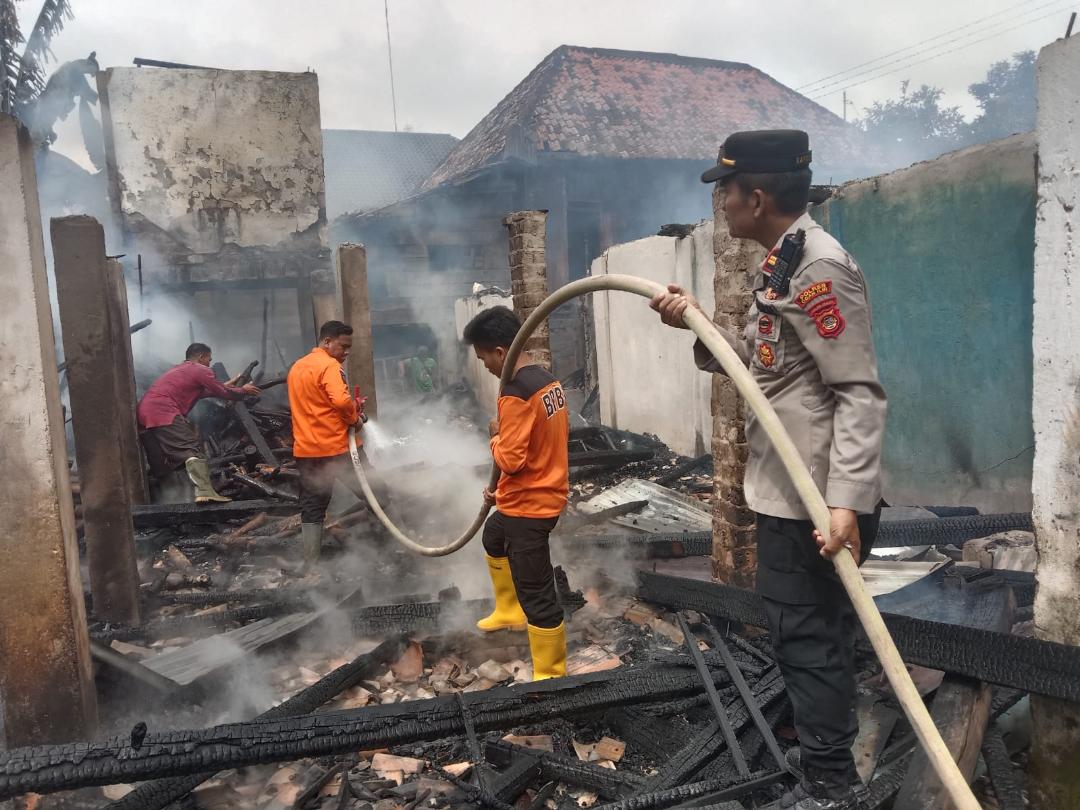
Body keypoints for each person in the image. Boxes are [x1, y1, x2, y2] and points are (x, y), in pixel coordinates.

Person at [650, 130, 887, 810]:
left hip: (813, 500)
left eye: (723, 190)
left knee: (806, 637)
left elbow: (859, 391)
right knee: (813, 632)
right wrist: (696, 325)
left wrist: (843, 501)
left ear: (755, 196)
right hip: (793, 490)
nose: (719, 202)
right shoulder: (781, 262)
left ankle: (829, 786)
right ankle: (826, 748)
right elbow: (768, 373)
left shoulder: (818, 269)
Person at [462, 306, 570, 681]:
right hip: (535, 494)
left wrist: (494, 435)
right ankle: (508, 611)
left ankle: (552, 674)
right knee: (493, 536)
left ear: (501, 351)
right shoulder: (545, 379)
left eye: (484, 358)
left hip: (531, 506)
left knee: (537, 592)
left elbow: (510, 457)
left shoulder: (515, 391)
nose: (486, 367)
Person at [137, 342, 261, 503]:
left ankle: (170, 499)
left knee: (162, 462)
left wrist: (229, 385)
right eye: (209, 359)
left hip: (144, 414)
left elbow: (206, 392)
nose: (210, 363)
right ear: (201, 357)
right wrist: (243, 390)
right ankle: (205, 491)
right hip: (162, 411)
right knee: (190, 449)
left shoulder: (180, 369)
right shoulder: (200, 369)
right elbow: (222, 392)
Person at [287, 320, 364, 569]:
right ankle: (394, 542)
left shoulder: (297, 367)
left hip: (307, 451)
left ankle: (310, 561)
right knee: (377, 493)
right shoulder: (330, 366)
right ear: (327, 342)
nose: (347, 352)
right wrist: (354, 418)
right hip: (338, 449)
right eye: (343, 346)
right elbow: (342, 402)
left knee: (313, 506)